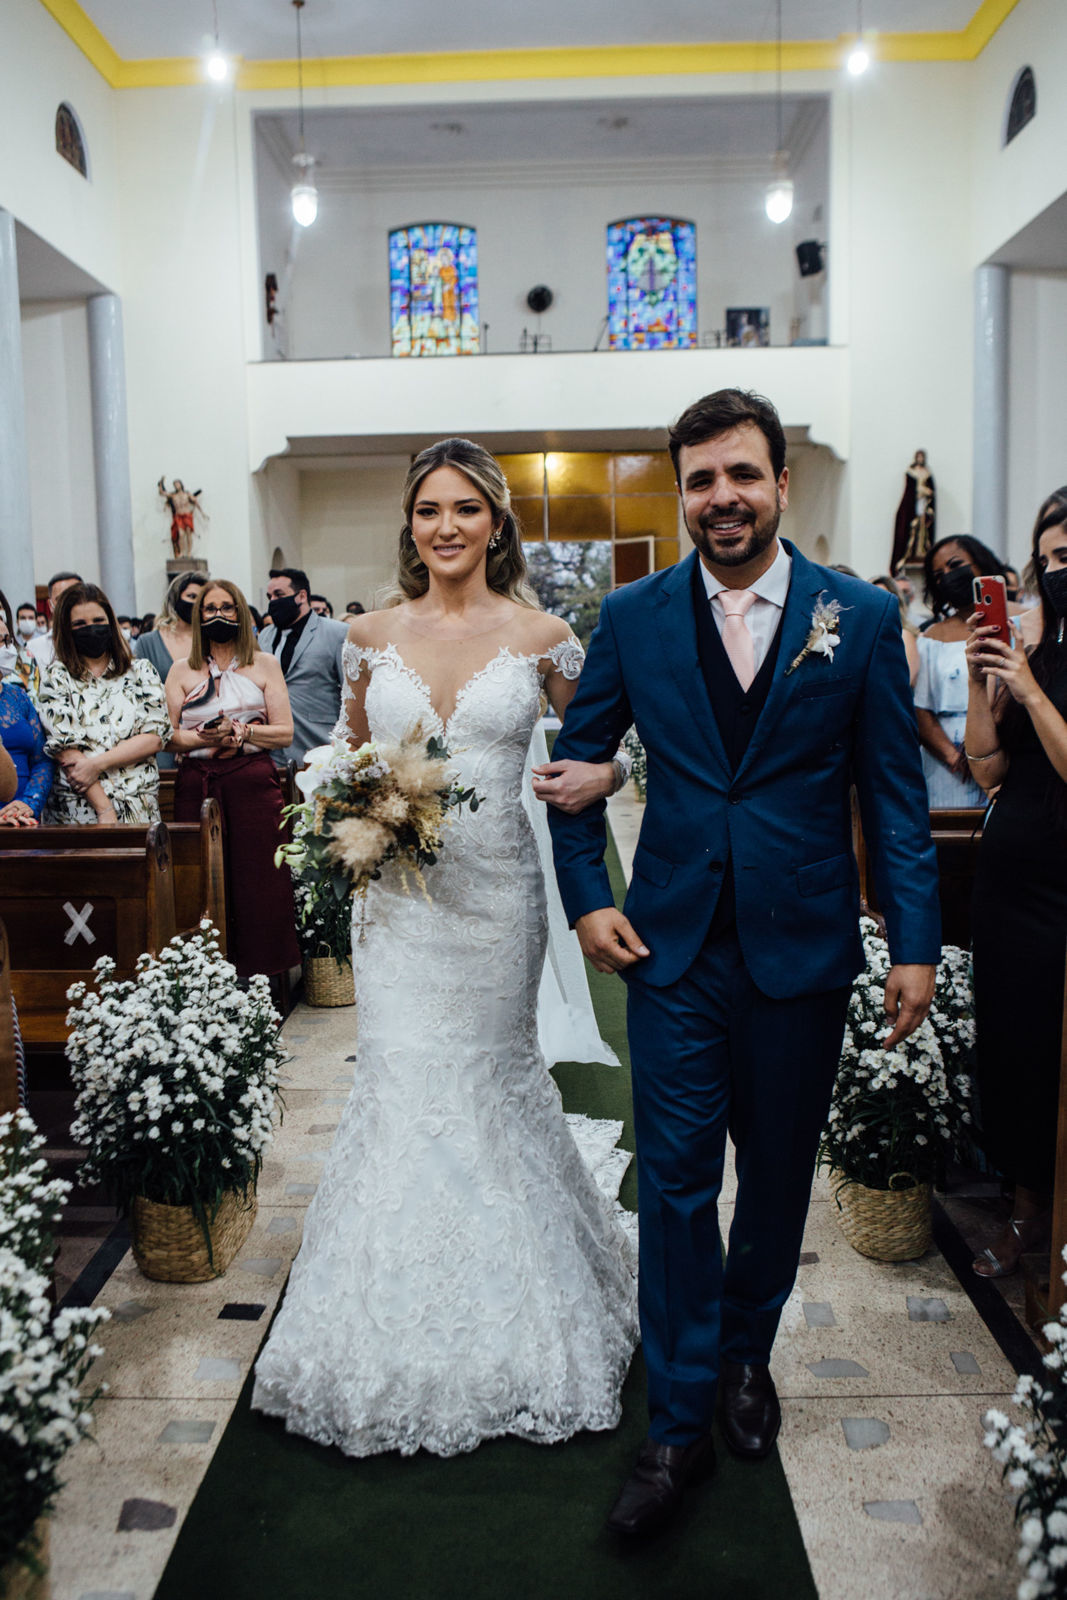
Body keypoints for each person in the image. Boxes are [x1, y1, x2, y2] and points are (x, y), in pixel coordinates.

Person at [548, 388, 940, 1538]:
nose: (721, 497)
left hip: (801, 948)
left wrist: (910, 940)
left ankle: (741, 1359)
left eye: (741, 475)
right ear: (681, 493)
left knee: (771, 1180)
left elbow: (894, 799)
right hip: (669, 946)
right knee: (672, 1185)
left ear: (782, 484)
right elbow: (574, 773)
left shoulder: (856, 618)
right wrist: (586, 901)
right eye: (700, 480)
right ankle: (673, 1423)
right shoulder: (631, 617)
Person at [252, 438, 639, 1457]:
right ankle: (385, 1311)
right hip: (398, 908)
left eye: (465, 508)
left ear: (496, 522)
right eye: (429, 509)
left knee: (487, 1078)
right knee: (402, 1084)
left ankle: (527, 1303)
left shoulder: (545, 635)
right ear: (410, 523)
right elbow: (339, 748)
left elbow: (601, 742)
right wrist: (344, 797)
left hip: (495, 897)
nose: (446, 526)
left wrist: (593, 779)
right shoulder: (367, 634)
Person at [965, 487, 1067, 1276]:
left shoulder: (1044, 671)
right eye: (1054, 556)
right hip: (1009, 881)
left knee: (1050, 1052)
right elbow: (988, 767)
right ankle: (1021, 1208)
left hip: (1058, 890)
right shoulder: (1041, 648)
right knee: (1008, 1044)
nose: (1061, 569)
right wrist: (983, 681)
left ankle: (1047, 1208)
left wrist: (1029, 690)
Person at [165, 580, 300, 980]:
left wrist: (243, 733)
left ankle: (267, 973)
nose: (218, 615)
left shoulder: (264, 664)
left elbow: (286, 732)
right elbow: (167, 734)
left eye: (227, 607)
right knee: (199, 879)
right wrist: (204, 737)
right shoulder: (180, 670)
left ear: (240, 614)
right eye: (209, 609)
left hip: (251, 780)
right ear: (198, 616)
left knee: (259, 878)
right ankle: (204, 975)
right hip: (197, 780)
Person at [37, 583, 170, 825]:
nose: (91, 629)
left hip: (138, 806)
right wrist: (105, 810)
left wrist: (97, 764)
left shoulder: (140, 672)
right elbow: (66, 748)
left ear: (111, 622)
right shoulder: (56, 677)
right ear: (67, 630)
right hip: (79, 811)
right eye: (80, 625)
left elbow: (153, 736)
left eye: (98, 620)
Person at [914, 536, 1011, 808]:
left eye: (955, 565)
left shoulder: (1020, 622)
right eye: (939, 575)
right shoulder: (931, 638)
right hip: (947, 767)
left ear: (981, 564)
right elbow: (921, 708)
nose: (948, 576)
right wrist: (955, 758)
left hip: (1007, 753)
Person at [257, 568, 348, 764]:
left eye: (279, 595)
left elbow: (351, 692)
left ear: (302, 596)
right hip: (272, 749)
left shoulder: (337, 632)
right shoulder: (265, 636)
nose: (273, 601)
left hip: (319, 741)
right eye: (269, 596)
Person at [135, 570, 210, 770]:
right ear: (175, 599)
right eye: (191, 597)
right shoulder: (148, 642)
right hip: (161, 737)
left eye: (201, 599)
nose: (196, 603)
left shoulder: (211, 640)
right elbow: (139, 694)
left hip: (206, 738)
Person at [0, 589, 53, 826]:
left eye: (7, 640)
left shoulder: (17, 697)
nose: (6, 649)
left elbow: (42, 759)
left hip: (22, 818)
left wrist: (30, 803)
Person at [870, 573, 921, 687]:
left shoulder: (904, 635)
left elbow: (903, 682)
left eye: (883, 597)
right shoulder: (864, 636)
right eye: (872, 597)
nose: (877, 603)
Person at [27, 571, 82, 671]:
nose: (68, 604)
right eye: (61, 599)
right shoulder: (34, 647)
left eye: (74, 597)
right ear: (50, 605)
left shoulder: (106, 638)